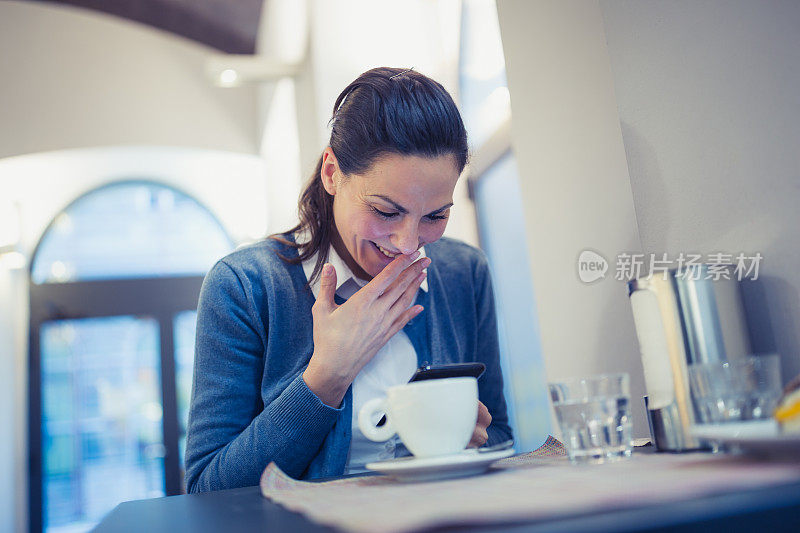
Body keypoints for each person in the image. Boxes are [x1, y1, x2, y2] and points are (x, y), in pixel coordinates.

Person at [184, 67, 513, 493]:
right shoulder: (245, 287)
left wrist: (466, 445)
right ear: (332, 173)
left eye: (435, 215)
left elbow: (502, 435)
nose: (409, 242)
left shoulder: (463, 273)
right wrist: (327, 374)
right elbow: (208, 490)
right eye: (385, 211)